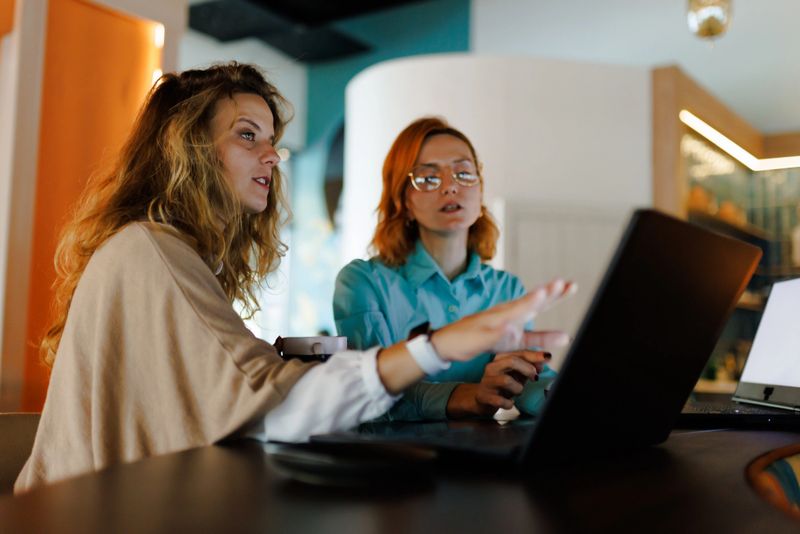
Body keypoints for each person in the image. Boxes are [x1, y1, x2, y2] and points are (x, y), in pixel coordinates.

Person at [15, 63, 572, 493]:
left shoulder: (160, 250)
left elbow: (219, 386)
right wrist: (438, 348)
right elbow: (268, 400)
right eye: (247, 135)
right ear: (189, 148)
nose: (272, 156)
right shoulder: (150, 252)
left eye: (271, 140)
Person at [334, 117, 574, 421]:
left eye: (463, 173)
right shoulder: (362, 283)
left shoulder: (507, 289)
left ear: (479, 192)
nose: (450, 187)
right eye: (429, 178)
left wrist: (565, 392)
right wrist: (469, 396)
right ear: (403, 199)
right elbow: (371, 391)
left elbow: (527, 383)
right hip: (392, 461)